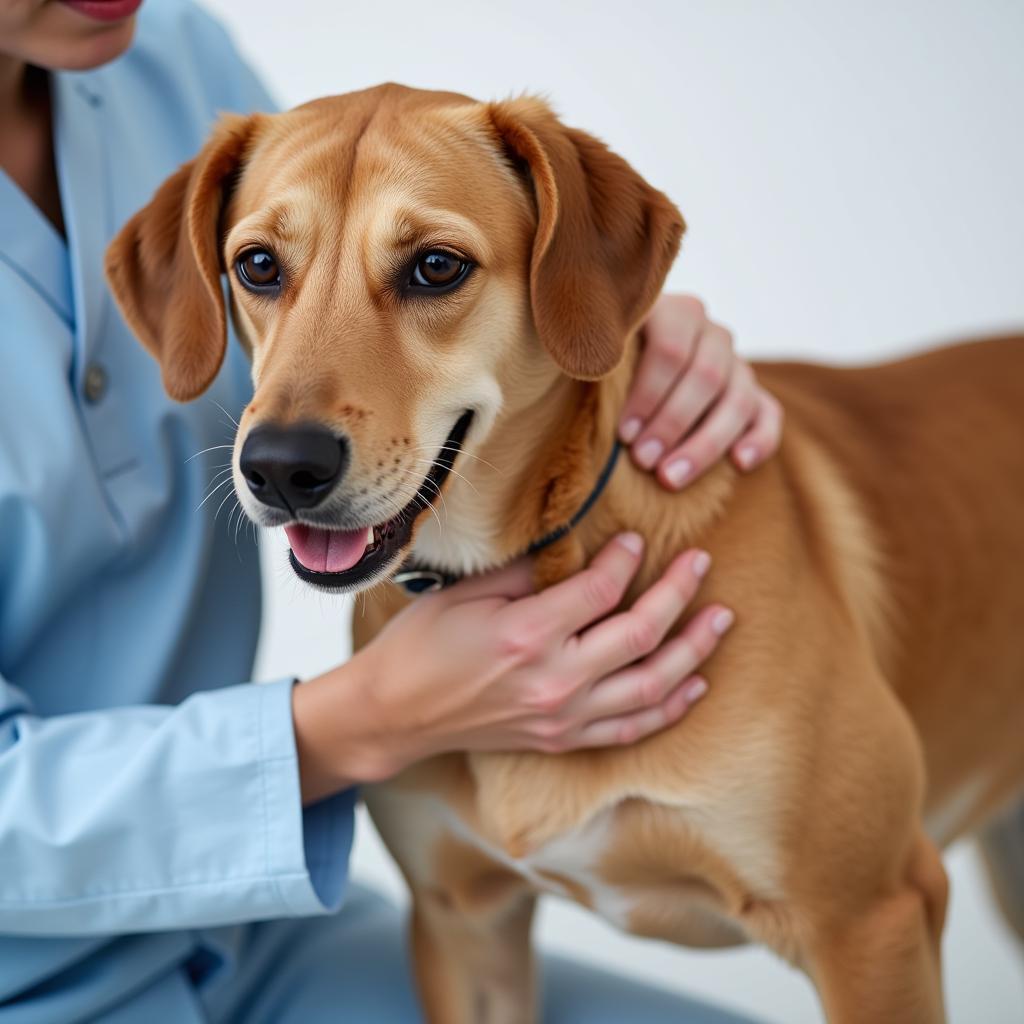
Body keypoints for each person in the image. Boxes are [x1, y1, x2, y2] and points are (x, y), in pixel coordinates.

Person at [0, 1, 783, 1021]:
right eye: (258, 269)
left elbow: (364, 254)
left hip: (248, 929)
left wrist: (609, 321)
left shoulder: (167, 52)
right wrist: (366, 719)